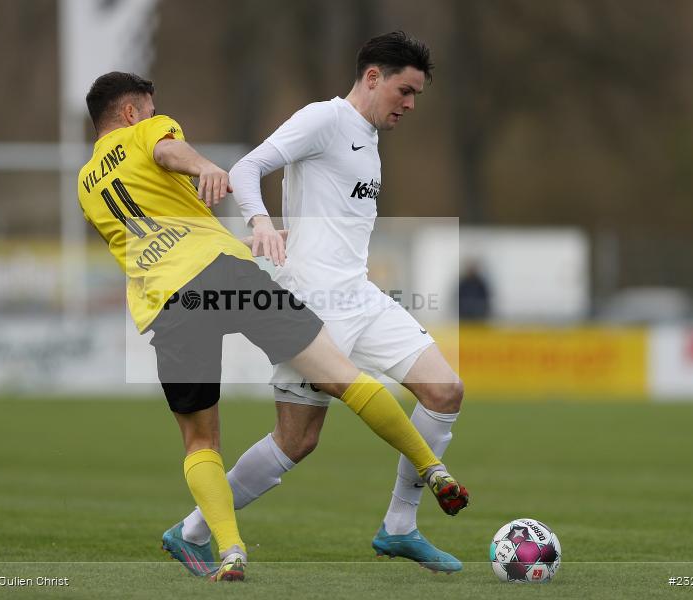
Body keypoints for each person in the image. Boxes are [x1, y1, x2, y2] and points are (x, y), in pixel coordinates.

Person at [77, 71, 462, 581]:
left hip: (165, 304)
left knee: (200, 443)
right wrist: (205, 165)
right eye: (149, 110)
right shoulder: (148, 131)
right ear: (131, 112)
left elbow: (154, 229)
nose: (154, 117)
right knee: (339, 375)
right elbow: (171, 153)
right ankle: (431, 468)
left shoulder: (84, 183)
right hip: (222, 274)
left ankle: (231, 549)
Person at [171, 32, 470, 573]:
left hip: (361, 295)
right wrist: (261, 221)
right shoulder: (324, 119)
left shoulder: (369, 137)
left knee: (445, 391)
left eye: (417, 96)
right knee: (298, 439)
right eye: (405, 91)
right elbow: (245, 168)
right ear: (372, 77)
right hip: (312, 304)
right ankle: (191, 529)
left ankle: (399, 526)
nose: (409, 105)